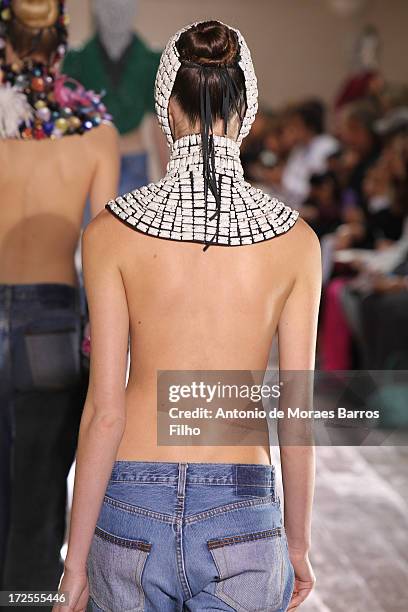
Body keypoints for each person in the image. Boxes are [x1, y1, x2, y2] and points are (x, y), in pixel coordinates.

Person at [56, 21, 321, 612]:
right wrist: (298, 543)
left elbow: (104, 410)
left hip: (130, 503)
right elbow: (296, 414)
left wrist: (74, 566)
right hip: (243, 507)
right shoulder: (297, 242)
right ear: (246, 106)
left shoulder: (110, 233)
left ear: (166, 107)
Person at [0, 0, 120, 595]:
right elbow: (103, 248)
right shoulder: (95, 129)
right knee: (42, 497)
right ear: (64, 38)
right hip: (51, 324)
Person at [63, 0, 168, 195]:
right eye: (108, 6)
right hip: (90, 162)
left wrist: (169, 184)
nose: (116, 13)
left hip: (132, 159)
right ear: (96, 9)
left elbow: (159, 125)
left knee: (131, 223)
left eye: (124, 6)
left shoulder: (151, 62)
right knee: (93, 225)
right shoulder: (77, 61)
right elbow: (68, 124)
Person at [281, 99, 339, 207]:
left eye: (296, 125)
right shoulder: (299, 149)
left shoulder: (327, 146)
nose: (293, 130)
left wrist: (283, 181)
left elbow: (317, 189)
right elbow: (287, 178)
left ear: (309, 127)